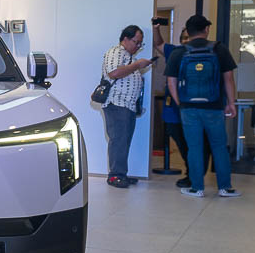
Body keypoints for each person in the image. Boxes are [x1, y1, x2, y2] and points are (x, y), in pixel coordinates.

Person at [165, 14, 241, 198]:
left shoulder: (178, 52)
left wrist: (180, 103)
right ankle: (225, 188)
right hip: (214, 107)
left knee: (194, 147)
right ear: (206, 29)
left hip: (188, 108)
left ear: (188, 31)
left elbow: (171, 82)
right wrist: (231, 103)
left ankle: (197, 188)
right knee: (219, 147)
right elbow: (229, 79)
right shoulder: (219, 49)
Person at [152, 20, 211, 188]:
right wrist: (156, 29)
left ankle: (195, 176)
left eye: (188, 37)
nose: (186, 40)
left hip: (197, 107)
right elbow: (159, 44)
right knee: (182, 143)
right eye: (183, 38)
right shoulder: (175, 52)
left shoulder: (207, 52)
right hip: (175, 110)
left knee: (199, 144)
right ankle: (191, 173)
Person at [101, 25, 153, 188]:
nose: (138, 46)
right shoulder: (116, 52)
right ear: (125, 39)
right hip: (117, 103)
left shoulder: (128, 57)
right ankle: (115, 175)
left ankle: (121, 173)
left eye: (140, 44)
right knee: (118, 140)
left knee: (124, 141)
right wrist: (137, 65)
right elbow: (114, 73)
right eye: (136, 42)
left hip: (127, 105)